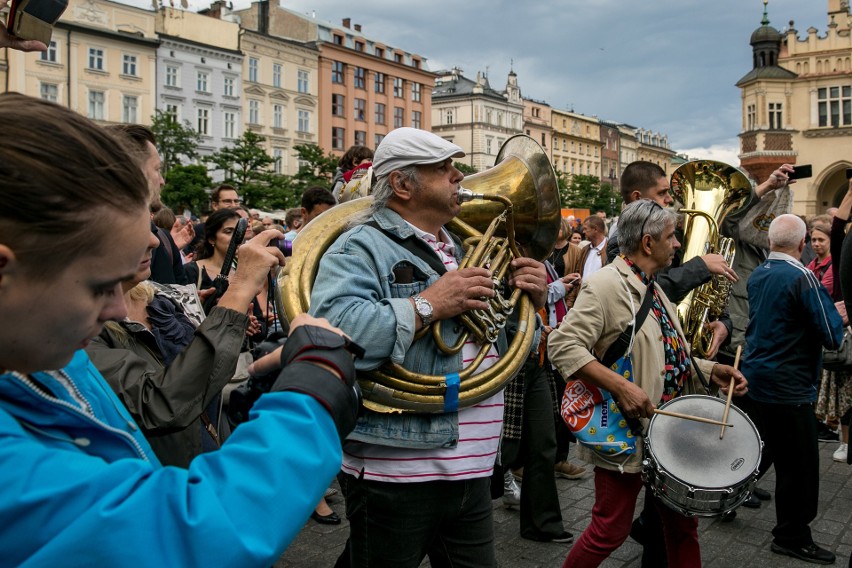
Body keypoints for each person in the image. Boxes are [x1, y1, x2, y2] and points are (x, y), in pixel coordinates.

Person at [0, 93, 360, 566]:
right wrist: (313, 387)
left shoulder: (35, 352)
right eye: (99, 285)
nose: (115, 308)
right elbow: (181, 531)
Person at [309, 127, 549, 566]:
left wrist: (528, 308)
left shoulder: (460, 246)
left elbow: (496, 343)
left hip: (471, 470)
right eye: (444, 168)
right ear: (401, 184)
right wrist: (427, 304)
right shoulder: (359, 244)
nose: (460, 176)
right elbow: (333, 330)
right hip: (397, 471)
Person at [548, 199, 748, 568]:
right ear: (647, 242)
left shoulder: (651, 286)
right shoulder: (607, 284)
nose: (677, 245)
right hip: (628, 432)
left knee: (682, 527)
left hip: (669, 434)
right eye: (672, 237)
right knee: (609, 531)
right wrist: (621, 387)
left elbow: (667, 351)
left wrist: (708, 369)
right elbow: (562, 345)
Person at [85, 221, 274, 467]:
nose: (155, 241)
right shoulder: (80, 329)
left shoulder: (160, 295)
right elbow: (158, 403)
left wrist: (217, 317)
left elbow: (198, 371)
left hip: (209, 449)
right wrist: (240, 288)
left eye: (150, 229)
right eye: (133, 228)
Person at [739, 214, 843, 565]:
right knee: (799, 468)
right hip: (790, 385)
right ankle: (792, 535)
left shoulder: (759, 274)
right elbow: (831, 336)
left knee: (765, 448)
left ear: (770, 242)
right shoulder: (803, 276)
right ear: (801, 245)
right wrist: (838, 315)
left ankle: (732, 496)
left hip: (758, 378)